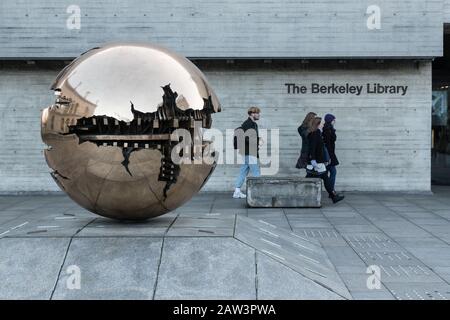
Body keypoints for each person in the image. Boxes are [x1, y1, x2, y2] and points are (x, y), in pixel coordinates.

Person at [306, 117, 344, 204]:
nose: (323, 124)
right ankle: (333, 196)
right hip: (317, 162)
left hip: (318, 161)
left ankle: (333, 196)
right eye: (322, 123)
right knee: (323, 178)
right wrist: (313, 159)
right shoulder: (315, 133)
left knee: (312, 178)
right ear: (318, 124)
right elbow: (312, 147)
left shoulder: (317, 132)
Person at [233, 106, 261, 199]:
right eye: (257, 113)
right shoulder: (248, 124)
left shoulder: (252, 124)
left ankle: (237, 191)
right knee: (256, 172)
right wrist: (256, 142)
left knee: (243, 171)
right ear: (252, 114)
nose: (258, 115)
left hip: (247, 151)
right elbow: (247, 138)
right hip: (250, 151)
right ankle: (258, 192)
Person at [322, 114, 339, 193]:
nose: (334, 121)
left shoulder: (329, 128)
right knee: (332, 172)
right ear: (330, 120)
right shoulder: (328, 130)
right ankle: (331, 190)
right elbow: (327, 145)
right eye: (333, 120)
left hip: (329, 154)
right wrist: (329, 157)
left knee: (327, 173)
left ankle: (331, 190)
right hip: (329, 155)